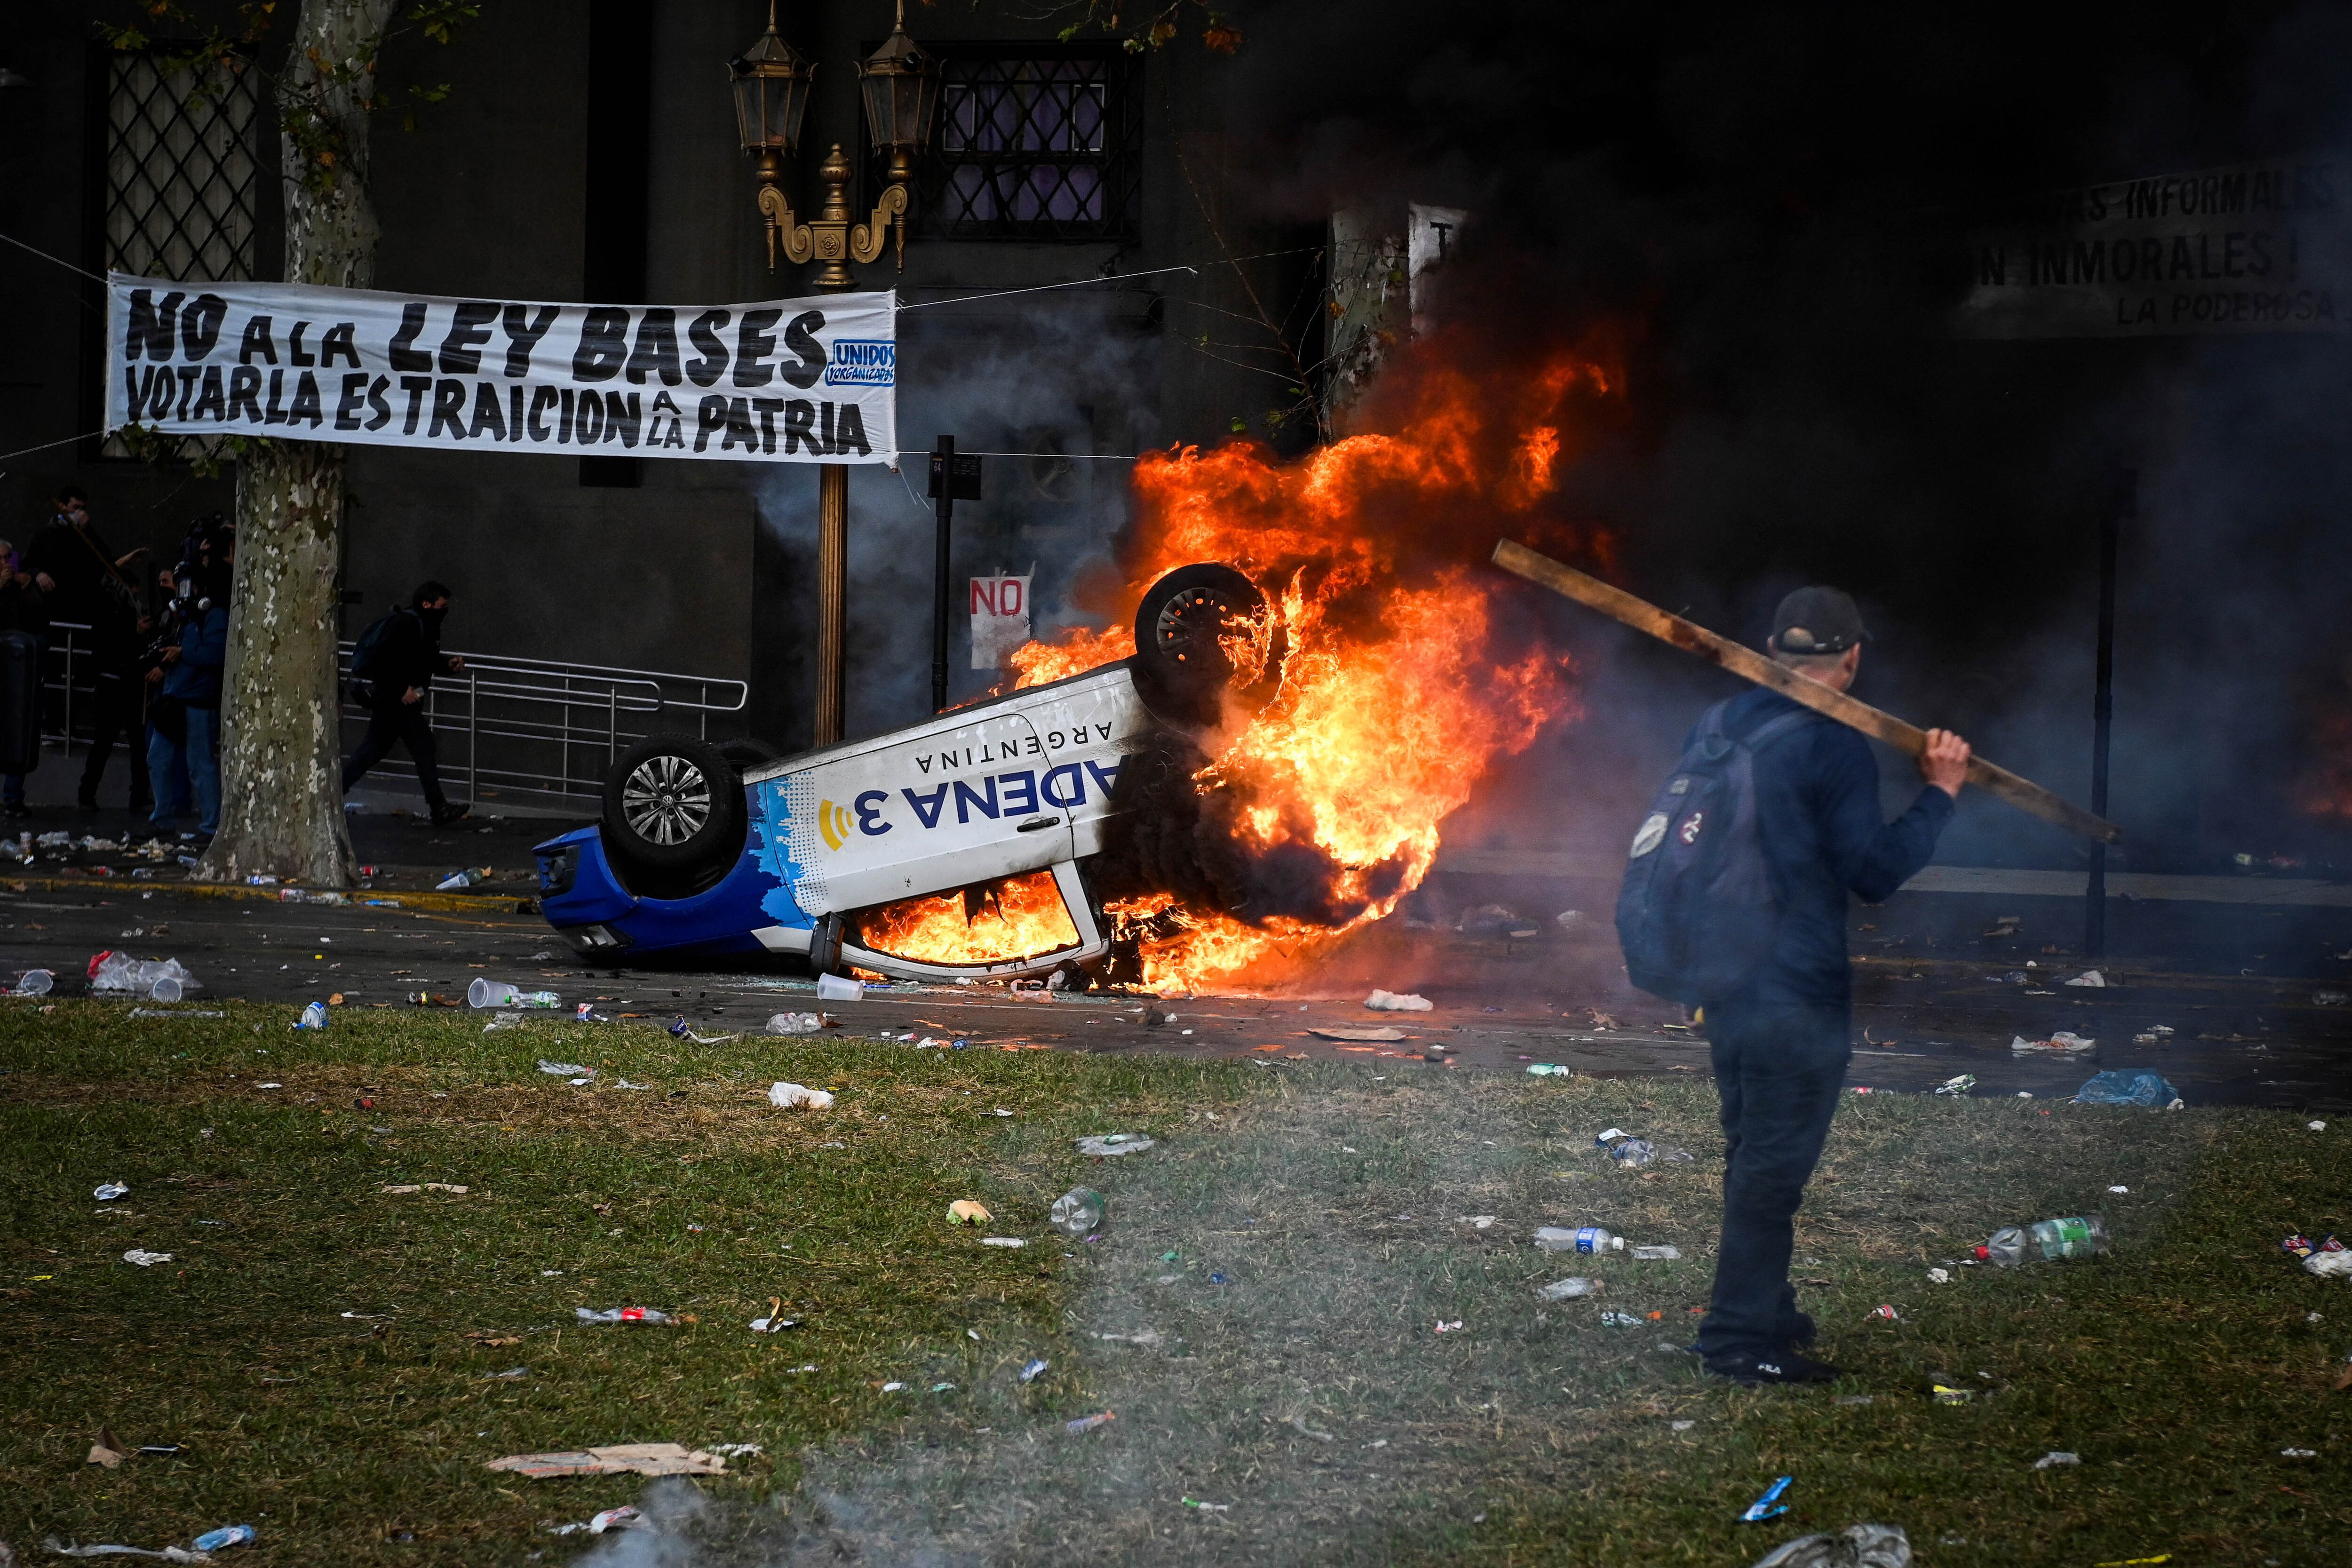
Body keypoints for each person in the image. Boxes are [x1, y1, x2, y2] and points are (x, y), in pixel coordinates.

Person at [1691, 586, 1970, 1386]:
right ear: (1851, 658)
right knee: (1774, 1161)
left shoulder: (1720, 725)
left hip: (1724, 976)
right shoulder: (1832, 743)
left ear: (1776, 648)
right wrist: (1942, 790)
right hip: (1793, 987)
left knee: (1754, 1148)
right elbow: (1874, 870)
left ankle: (1770, 1311)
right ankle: (1737, 1338)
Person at [25, 486, 151, 812]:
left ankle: (136, 794)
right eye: (75, 508)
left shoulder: (88, 539)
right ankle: (55, 725)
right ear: (64, 507)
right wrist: (39, 574)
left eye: (83, 508)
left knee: (131, 740)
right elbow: (30, 563)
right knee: (102, 732)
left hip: (92, 628)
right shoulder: (47, 535)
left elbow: (104, 565)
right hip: (62, 618)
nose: (80, 513)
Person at [341, 581, 469, 825]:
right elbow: (381, 660)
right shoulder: (405, 624)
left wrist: (448, 667)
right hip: (396, 703)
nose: (445, 611)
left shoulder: (428, 626)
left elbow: (425, 660)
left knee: (372, 751)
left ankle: (336, 790)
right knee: (422, 748)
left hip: (401, 703)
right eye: (442, 606)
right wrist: (401, 689)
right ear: (427, 604)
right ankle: (438, 808)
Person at [148, 553, 229, 837]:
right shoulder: (180, 618)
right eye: (180, 585)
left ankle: (210, 826)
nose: (184, 593)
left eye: (190, 586)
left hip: (198, 701)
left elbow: (216, 654)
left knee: (200, 764)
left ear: (202, 588)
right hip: (174, 697)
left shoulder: (214, 616)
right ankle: (162, 819)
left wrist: (183, 652)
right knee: (158, 758)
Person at [0, 538, 49, 818]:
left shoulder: (19, 586)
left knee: (18, 727)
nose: (7, 564)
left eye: (10, 558)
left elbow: (39, 615)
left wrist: (25, 584)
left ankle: (13, 797)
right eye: (2, 559)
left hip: (17, 669)